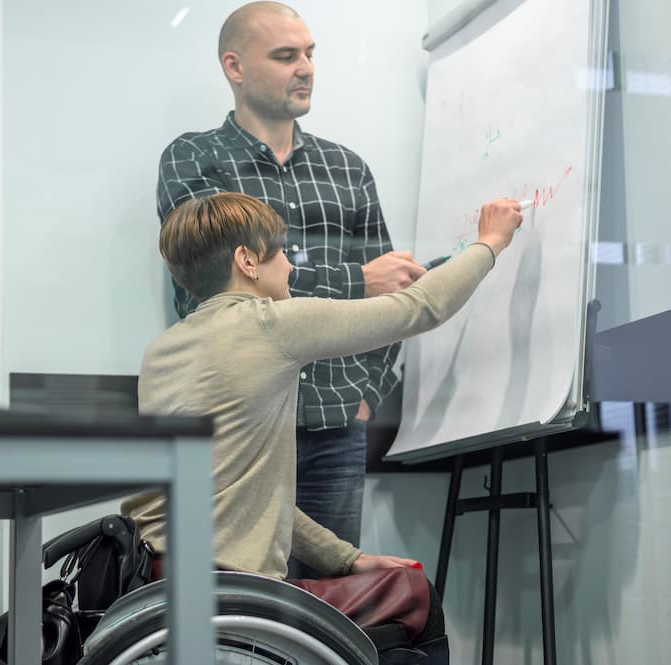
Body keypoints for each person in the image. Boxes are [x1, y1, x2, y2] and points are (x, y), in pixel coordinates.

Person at [124, 191, 523, 651]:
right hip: (232, 595)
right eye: (281, 254)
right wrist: (489, 242)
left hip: (158, 587)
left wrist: (348, 560)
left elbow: (253, 499)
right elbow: (419, 307)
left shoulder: (161, 352)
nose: (291, 267)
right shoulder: (271, 323)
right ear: (247, 260)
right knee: (415, 595)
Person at [157, 2, 424, 575]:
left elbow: (393, 298)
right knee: (237, 617)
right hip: (238, 433)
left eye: (309, 53)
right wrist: (354, 281)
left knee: (329, 615)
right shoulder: (195, 160)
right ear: (235, 66)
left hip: (334, 426)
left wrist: (365, 394)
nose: (305, 67)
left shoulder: (347, 169)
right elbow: (209, 293)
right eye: (285, 56)